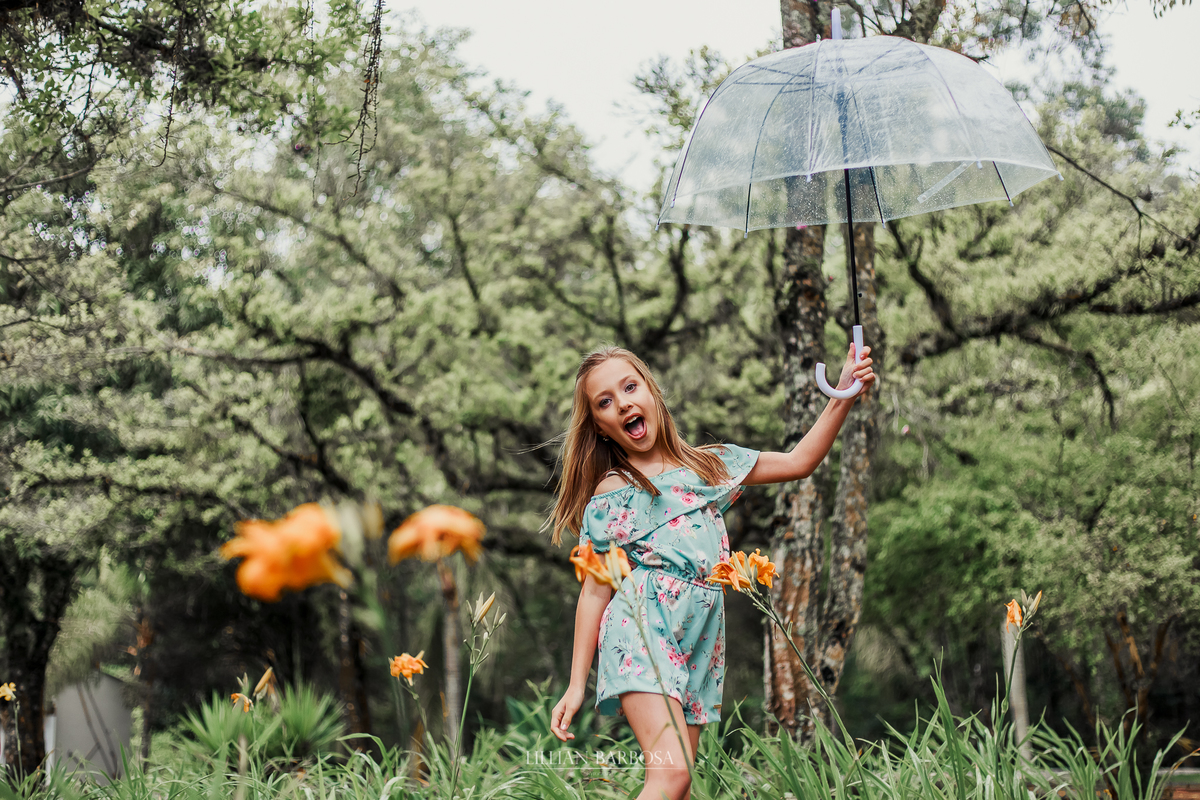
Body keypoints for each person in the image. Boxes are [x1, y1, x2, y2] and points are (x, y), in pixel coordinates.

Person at [546, 343, 875, 800]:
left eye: (629, 386)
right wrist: (576, 683)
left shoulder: (707, 464)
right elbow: (595, 592)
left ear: (652, 392)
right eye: (604, 402)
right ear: (600, 427)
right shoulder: (614, 489)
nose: (621, 403)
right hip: (643, 626)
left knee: (677, 787)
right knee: (671, 776)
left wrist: (843, 392)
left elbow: (801, 462)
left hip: (701, 635)